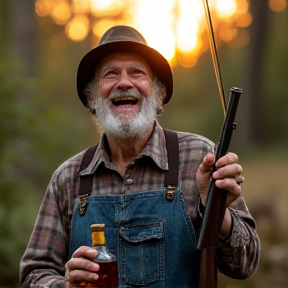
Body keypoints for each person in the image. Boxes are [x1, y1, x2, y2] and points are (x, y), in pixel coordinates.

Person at [20, 25, 260, 288]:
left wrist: (216, 212)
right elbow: (35, 273)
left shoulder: (200, 158)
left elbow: (245, 264)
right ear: (91, 97)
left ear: (159, 94)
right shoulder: (68, 177)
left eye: (137, 72)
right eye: (110, 74)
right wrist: (64, 286)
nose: (124, 82)